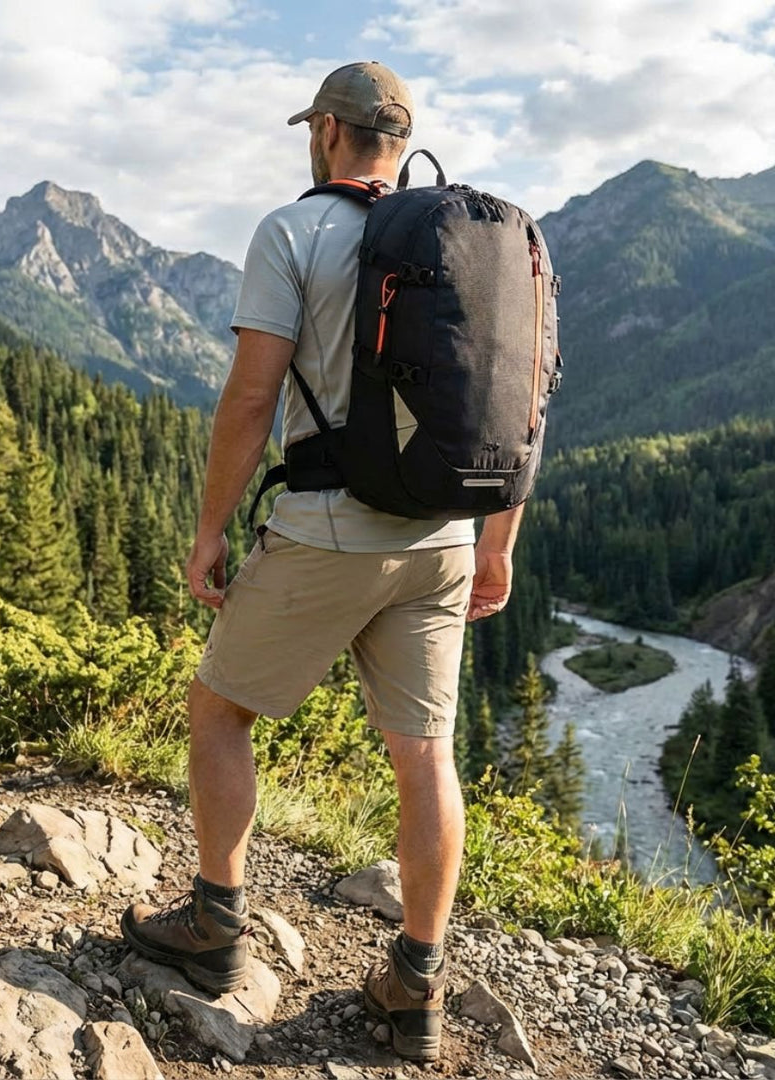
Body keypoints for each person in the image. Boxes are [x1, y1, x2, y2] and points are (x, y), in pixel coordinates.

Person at [121, 61, 526, 1062]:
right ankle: (414, 989)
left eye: (316, 128)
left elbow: (252, 398)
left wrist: (212, 528)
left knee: (219, 710)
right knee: (425, 757)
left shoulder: (294, 232)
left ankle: (215, 927)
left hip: (328, 530)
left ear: (332, 133)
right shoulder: (476, 245)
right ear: (402, 140)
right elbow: (520, 404)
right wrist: (496, 545)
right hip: (442, 539)